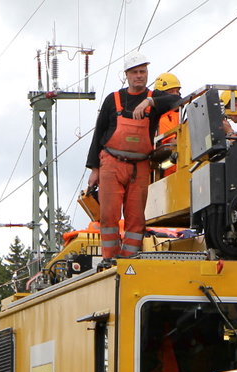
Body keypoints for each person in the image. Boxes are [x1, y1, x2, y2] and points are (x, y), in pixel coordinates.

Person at [85, 52, 180, 263]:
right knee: (109, 214)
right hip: (111, 163)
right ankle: (109, 258)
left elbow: (177, 99)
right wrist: (94, 169)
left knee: (136, 218)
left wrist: (150, 102)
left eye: (143, 72)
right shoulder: (114, 100)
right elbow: (99, 133)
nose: (140, 76)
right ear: (126, 75)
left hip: (140, 166)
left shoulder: (154, 98)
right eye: (135, 72)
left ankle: (129, 258)